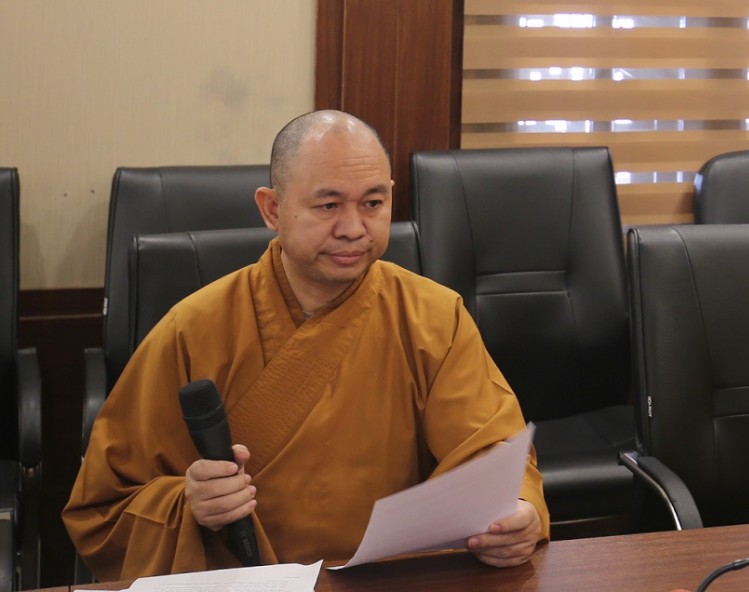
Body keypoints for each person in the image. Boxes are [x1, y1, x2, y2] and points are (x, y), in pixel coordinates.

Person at [65, 110, 550, 579]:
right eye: (329, 205)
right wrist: (187, 504)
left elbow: (490, 454)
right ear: (272, 208)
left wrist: (518, 513)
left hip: (389, 577)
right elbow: (105, 508)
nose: (354, 228)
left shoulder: (434, 317)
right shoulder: (192, 328)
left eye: (373, 203)